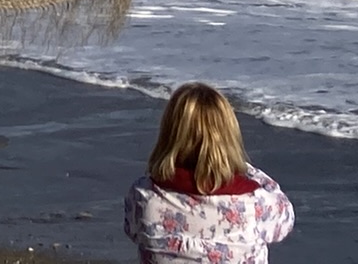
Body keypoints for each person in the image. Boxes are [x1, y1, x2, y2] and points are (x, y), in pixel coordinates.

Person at [126, 83, 294, 264]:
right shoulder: (255, 202)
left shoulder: (144, 194)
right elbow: (285, 223)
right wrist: (246, 169)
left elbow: (132, 230)